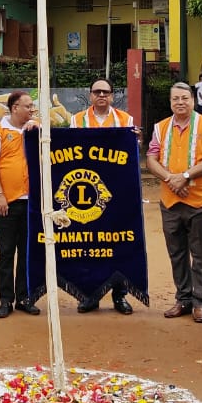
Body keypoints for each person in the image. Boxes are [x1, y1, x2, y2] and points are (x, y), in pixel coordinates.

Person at [147, 82, 202, 322]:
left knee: (201, 253)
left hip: (200, 201)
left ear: (193, 100)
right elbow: (151, 158)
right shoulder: (160, 127)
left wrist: (186, 176)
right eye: (175, 99)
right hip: (170, 201)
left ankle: (200, 302)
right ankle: (183, 299)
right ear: (170, 102)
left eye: (184, 98)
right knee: (176, 253)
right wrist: (171, 179)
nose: (180, 102)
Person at [70, 78, 138, 314]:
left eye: (105, 92)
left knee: (117, 243)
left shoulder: (125, 120)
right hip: (87, 191)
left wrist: (134, 140)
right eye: (97, 91)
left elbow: (131, 154)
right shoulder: (77, 120)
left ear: (112, 95)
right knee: (89, 243)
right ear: (90, 95)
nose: (101, 95)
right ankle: (91, 295)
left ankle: (120, 296)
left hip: (117, 190)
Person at [0, 90, 41, 318]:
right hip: (6, 202)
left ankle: (25, 298)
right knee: (7, 251)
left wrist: (36, 126)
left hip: (31, 202)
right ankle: (6, 300)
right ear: (15, 107)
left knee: (27, 252)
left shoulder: (35, 129)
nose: (32, 110)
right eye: (28, 106)